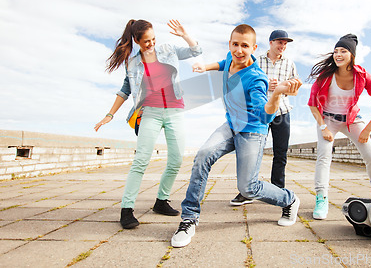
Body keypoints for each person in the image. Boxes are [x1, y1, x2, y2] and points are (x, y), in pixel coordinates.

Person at [170, 24, 302, 248]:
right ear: (230, 44)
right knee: (203, 155)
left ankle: (289, 199)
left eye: (245, 46)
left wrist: (277, 94)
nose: (239, 50)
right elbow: (223, 64)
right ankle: (189, 218)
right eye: (235, 44)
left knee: (248, 188)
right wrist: (205, 67)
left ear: (254, 48)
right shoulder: (231, 58)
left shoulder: (256, 79)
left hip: (252, 130)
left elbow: (265, 116)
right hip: (231, 124)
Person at [94, 19, 202, 229]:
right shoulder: (132, 63)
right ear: (136, 41)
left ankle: (161, 201)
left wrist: (185, 35)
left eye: (153, 39)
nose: (151, 44)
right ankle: (126, 209)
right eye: (146, 41)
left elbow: (196, 51)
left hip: (175, 110)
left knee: (176, 159)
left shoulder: (169, 50)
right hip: (149, 113)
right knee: (141, 161)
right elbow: (125, 90)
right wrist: (110, 114)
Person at [307, 34, 371, 220]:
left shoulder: (362, 75)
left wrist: (367, 129)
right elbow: (312, 104)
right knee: (323, 156)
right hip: (327, 119)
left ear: (352, 55)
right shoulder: (325, 76)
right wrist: (323, 128)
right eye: (336, 51)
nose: (338, 54)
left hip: (352, 120)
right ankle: (322, 198)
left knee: (370, 155)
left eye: (343, 51)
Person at [230, 30, 298, 206]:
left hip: (282, 112)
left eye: (285, 43)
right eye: (280, 42)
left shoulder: (289, 63)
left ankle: (277, 192)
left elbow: (295, 88)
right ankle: (246, 192)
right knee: (252, 152)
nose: (282, 46)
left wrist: (288, 86)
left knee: (280, 153)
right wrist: (267, 83)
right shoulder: (256, 60)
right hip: (258, 113)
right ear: (271, 42)